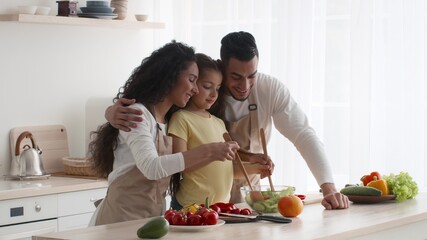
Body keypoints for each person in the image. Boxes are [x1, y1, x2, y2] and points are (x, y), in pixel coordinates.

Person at [105, 32, 349, 210]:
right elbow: (157, 107)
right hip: (197, 202)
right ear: (221, 67)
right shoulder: (199, 90)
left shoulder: (269, 89)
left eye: (251, 76)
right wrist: (111, 113)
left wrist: (329, 188)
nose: (244, 86)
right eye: (235, 77)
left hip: (248, 199)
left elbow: (303, 134)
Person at [88, 41, 239, 226]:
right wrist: (210, 151)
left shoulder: (169, 119)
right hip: (119, 221)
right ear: (171, 76)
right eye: (191, 80)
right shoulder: (137, 114)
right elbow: (151, 167)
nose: (195, 89)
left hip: (151, 220)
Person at [168, 53, 272, 210]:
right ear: (193, 85)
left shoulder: (218, 123)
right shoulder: (181, 119)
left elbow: (226, 169)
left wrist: (257, 167)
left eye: (217, 88)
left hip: (220, 208)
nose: (214, 94)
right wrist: (212, 153)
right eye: (207, 87)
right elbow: (181, 164)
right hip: (189, 207)